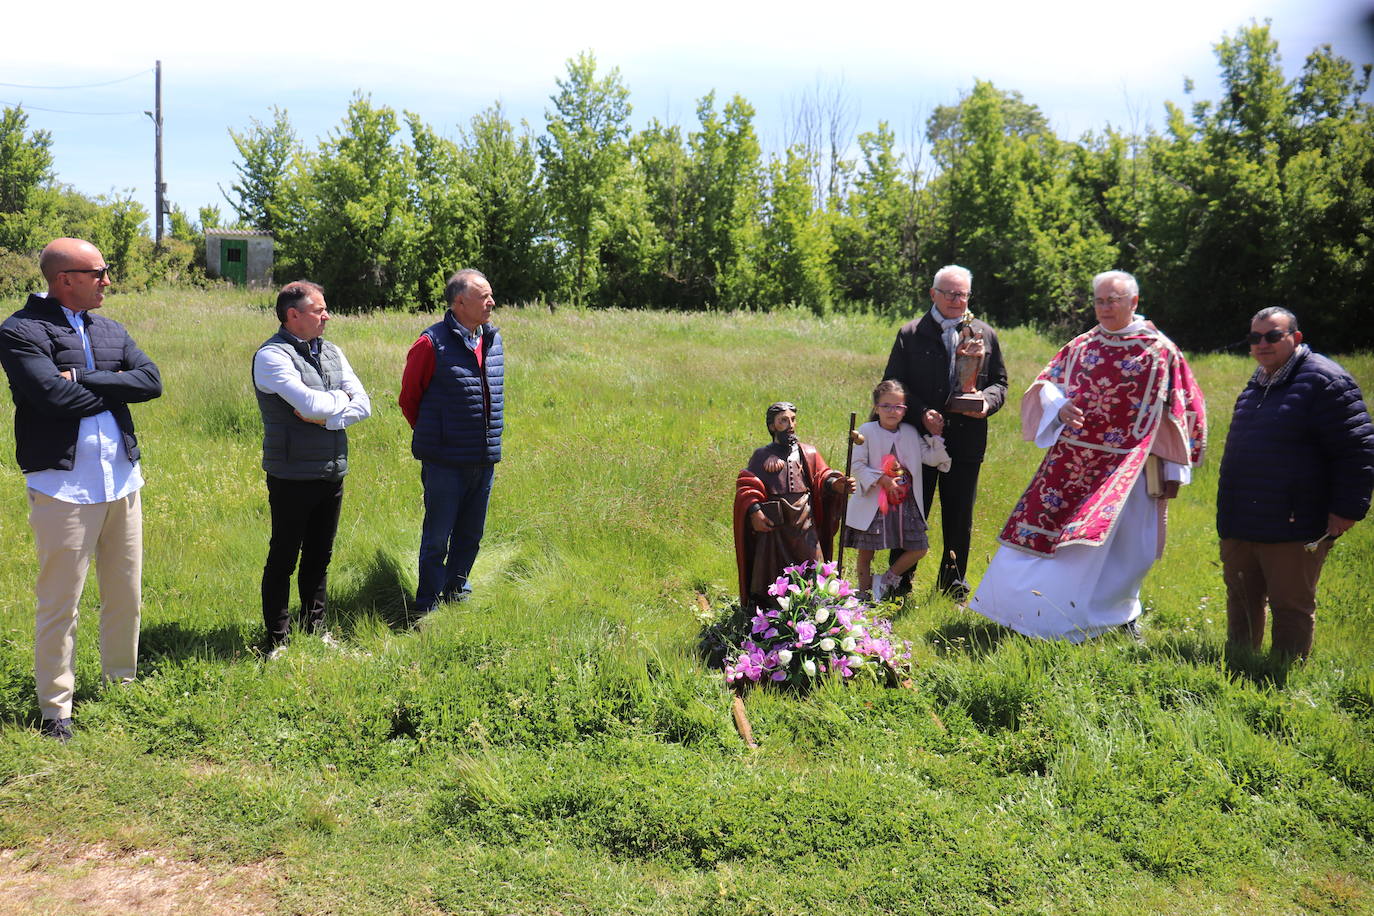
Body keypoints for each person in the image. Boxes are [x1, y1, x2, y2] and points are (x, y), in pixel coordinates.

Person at [967, 270, 1206, 642]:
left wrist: (1175, 467)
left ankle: (1117, 616)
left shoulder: (1160, 351)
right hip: (1071, 459)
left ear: (1134, 302)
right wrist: (1059, 409)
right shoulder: (1081, 345)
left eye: (1114, 300)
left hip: (1129, 464)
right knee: (1048, 535)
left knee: (1127, 549)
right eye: (1099, 300)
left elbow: (1184, 406)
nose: (1106, 307)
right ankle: (1029, 616)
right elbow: (1046, 385)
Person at [0, 238, 162, 741]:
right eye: (100, 272)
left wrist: (84, 376)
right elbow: (50, 396)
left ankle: (121, 685)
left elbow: (151, 381)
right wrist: (111, 382)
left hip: (122, 483)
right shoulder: (20, 330)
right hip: (63, 486)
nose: (107, 281)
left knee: (125, 595)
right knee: (60, 601)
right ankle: (56, 709)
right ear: (65, 278)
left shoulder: (110, 328)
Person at [1216, 307, 1374, 660]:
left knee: (1290, 605)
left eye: (1273, 335)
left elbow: (1357, 448)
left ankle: (1283, 680)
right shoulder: (1259, 381)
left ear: (1295, 337)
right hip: (1242, 519)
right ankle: (1241, 667)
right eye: (1255, 338)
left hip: (1294, 520)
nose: (1262, 344)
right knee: (1241, 599)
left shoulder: (1325, 380)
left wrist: (1347, 509)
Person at [252, 281, 371, 655]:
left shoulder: (333, 351)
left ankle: (315, 627)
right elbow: (307, 403)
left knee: (320, 554)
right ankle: (277, 639)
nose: (327, 316)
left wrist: (329, 418)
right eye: (319, 310)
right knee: (284, 556)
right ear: (293, 315)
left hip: (331, 469)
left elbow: (363, 405)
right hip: (290, 473)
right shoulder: (272, 357)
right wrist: (339, 401)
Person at [882, 264, 1008, 598]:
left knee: (959, 515)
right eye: (949, 293)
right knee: (912, 512)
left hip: (967, 439)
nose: (956, 300)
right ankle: (899, 584)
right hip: (917, 439)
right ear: (933, 294)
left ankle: (952, 588)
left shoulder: (985, 334)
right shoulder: (911, 333)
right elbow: (894, 384)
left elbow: (1000, 384)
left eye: (962, 294)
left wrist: (984, 403)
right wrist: (922, 412)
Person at [399, 269, 504, 616]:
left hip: (482, 459)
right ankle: (426, 605)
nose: (491, 303)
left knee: (470, 535)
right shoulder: (430, 343)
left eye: (491, 295)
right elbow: (409, 399)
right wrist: (438, 435)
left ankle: (456, 590)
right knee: (436, 539)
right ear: (459, 302)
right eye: (483, 296)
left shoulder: (492, 340)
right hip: (444, 462)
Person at [733, 402, 855, 611]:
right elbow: (747, 484)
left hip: (804, 520)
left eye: (792, 419)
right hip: (776, 525)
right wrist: (754, 510)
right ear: (772, 426)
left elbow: (821, 476)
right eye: (783, 420)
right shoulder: (761, 455)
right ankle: (772, 617)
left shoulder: (808, 452)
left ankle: (819, 613)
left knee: (815, 567)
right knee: (772, 573)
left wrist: (836, 484)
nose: (790, 425)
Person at [842, 380, 952, 600]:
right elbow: (857, 464)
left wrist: (937, 437)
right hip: (874, 500)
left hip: (904, 502)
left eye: (898, 407)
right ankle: (863, 596)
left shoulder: (910, 432)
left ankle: (885, 580)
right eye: (886, 406)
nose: (892, 411)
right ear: (876, 408)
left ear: (905, 410)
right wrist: (882, 480)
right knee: (866, 551)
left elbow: (929, 458)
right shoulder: (866, 431)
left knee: (919, 547)